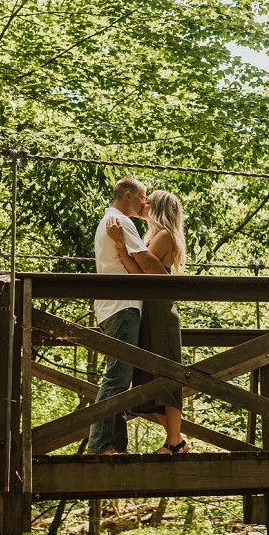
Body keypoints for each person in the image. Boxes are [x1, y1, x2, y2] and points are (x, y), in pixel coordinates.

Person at [106, 189, 190, 455]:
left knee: (167, 377)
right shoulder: (153, 236)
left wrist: (120, 245)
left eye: (148, 203)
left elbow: (139, 270)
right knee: (148, 381)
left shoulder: (165, 236)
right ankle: (177, 440)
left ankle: (174, 443)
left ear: (159, 209)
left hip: (160, 316)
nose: (143, 205)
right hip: (150, 314)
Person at [87, 177, 167, 455]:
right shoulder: (121, 222)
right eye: (143, 197)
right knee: (117, 378)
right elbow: (145, 261)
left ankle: (115, 446)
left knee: (119, 377)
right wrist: (170, 279)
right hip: (122, 307)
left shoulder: (108, 221)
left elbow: (132, 264)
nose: (145, 203)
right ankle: (100, 445)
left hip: (112, 306)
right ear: (129, 195)